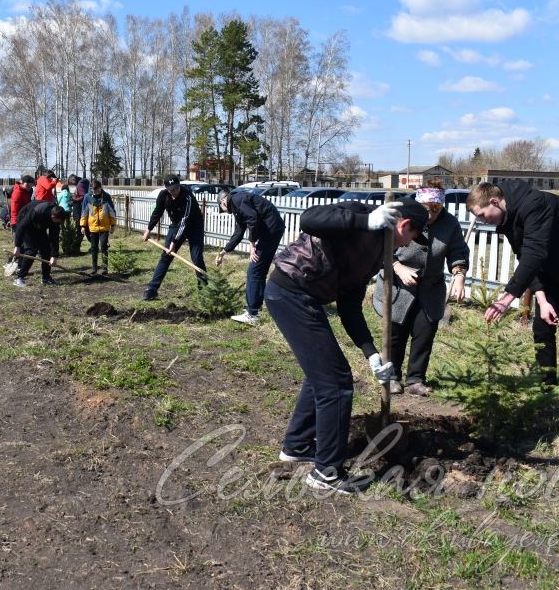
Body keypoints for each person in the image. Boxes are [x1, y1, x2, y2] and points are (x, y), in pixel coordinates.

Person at [267, 197, 429, 495]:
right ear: (404, 225)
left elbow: (350, 306)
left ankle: (298, 446)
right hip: (289, 292)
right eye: (412, 238)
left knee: (322, 375)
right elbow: (309, 218)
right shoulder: (360, 213)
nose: (406, 246)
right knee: (336, 382)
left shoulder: (378, 252)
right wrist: (365, 222)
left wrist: (372, 354)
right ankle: (326, 473)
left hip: (305, 299)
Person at [467, 181, 559, 423]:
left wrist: (507, 298)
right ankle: (546, 392)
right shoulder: (507, 218)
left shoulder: (535, 204)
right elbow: (525, 257)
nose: (482, 221)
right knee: (542, 328)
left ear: (493, 202)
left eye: (482, 215)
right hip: (551, 264)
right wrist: (542, 300)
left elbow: (535, 254)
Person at [373, 182, 470, 396]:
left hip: (430, 289)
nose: (431, 217)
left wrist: (459, 275)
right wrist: (397, 267)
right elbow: (379, 247)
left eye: (435, 212)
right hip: (397, 286)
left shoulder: (450, 224)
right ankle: (392, 377)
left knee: (425, 332)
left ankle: (416, 379)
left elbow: (457, 251)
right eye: (427, 211)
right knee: (396, 333)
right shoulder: (400, 216)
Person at [215, 190, 286, 325]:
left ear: (223, 201)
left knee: (254, 271)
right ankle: (255, 309)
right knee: (258, 271)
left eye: (223, 209)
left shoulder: (236, 200)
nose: (226, 212)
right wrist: (223, 252)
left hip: (270, 230)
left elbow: (253, 219)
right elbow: (239, 232)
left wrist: (252, 244)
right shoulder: (237, 203)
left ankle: (252, 314)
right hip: (272, 229)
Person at [142, 174, 207, 301]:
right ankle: (152, 289)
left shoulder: (187, 196)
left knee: (197, 258)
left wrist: (174, 242)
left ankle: (204, 290)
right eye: (171, 189)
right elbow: (157, 212)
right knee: (166, 256)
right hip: (176, 224)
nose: (175, 191)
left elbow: (185, 221)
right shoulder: (163, 196)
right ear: (166, 189)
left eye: (176, 188)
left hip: (194, 226)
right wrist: (149, 229)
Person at [11, 202, 69, 287]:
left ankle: (46, 278)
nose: (58, 224)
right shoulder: (38, 211)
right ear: (53, 217)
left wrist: (54, 255)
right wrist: (17, 246)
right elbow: (21, 227)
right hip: (25, 220)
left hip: (39, 225)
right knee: (32, 250)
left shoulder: (56, 218)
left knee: (46, 249)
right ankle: (19, 278)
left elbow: (54, 238)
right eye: (57, 222)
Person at [80, 180, 116, 274]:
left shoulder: (106, 197)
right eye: (92, 190)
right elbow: (84, 212)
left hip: (104, 227)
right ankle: (94, 268)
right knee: (94, 247)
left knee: (104, 246)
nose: (94, 192)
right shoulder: (87, 197)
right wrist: (83, 226)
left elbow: (112, 211)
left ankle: (105, 268)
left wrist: (113, 225)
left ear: (100, 188)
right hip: (92, 227)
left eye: (96, 190)